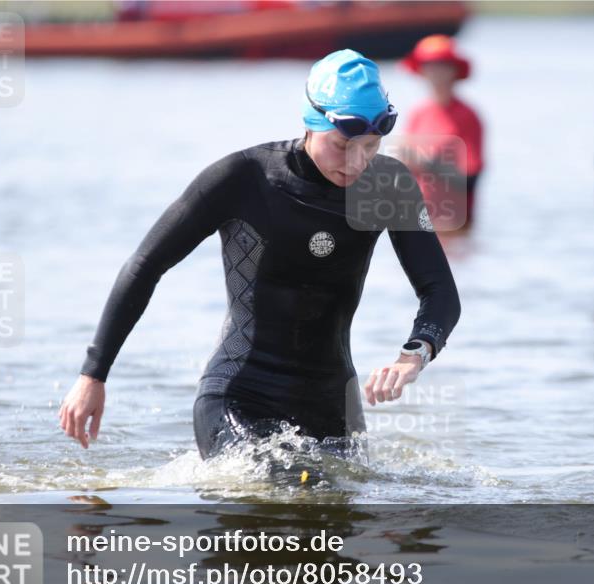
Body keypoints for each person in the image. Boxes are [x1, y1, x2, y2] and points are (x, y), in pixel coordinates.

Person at [59, 49, 461, 459]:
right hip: (240, 394)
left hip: (331, 403)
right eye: (343, 145)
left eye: (371, 146)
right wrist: (93, 374)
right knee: (278, 480)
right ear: (311, 123)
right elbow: (146, 266)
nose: (358, 162)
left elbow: (440, 291)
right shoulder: (245, 178)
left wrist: (414, 354)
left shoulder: (387, 186)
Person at [400, 34, 484, 233]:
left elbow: (470, 179)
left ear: (454, 70)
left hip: (453, 224)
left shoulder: (467, 116)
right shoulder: (417, 114)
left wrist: (427, 164)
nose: (435, 72)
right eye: (429, 65)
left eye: (441, 65)